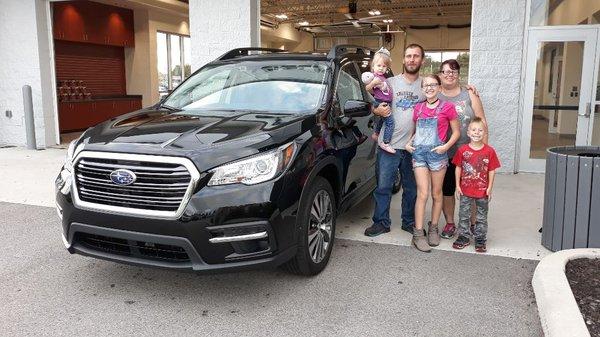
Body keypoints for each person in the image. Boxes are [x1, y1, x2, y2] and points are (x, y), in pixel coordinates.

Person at [363, 44, 426, 237]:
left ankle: (408, 222)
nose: (412, 59)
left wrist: (468, 90)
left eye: (416, 56)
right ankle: (381, 222)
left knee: (411, 188)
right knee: (383, 187)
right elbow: (368, 99)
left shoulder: (426, 84)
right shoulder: (389, 81)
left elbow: (445, 94)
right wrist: (376, 110)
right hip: (388, 145)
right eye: (408, 56)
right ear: (404, 59)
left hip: (413, 147)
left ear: (422, 61)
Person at [405, 74, 460, 252]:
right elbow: (416, 132)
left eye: (433, 85)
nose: (429, 88)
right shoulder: (418, 108)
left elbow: (456, 133)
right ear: (422, 89)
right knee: (423, 194)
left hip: (438, 155)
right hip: (419, 155)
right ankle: (418, 233)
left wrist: (445, 147)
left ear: (439, 87)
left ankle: (434, 227)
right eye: (426, 85)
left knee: (437, 194)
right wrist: (408, 143)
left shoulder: (448, 107)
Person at [437, 59, 489, 240]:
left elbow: (481, 120)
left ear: (459, 74)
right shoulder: (435, 94)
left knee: (472, 190)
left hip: (469, 153)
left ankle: (472, 224)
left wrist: (484, 152)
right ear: (440, 75)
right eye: (445, 72)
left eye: (453, 72)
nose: (449, 75)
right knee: (447, 189)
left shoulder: (469, 95)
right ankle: (450, 223)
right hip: (444, 153)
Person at [451, 117, 500, 252]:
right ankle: (463, 237)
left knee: (481, 217)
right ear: (468, 132)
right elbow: (458, 168)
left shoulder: (489, 151)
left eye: (480, 130)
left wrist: (490, 188)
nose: (477, 133)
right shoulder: (462, 150)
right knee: (463, 215)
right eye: (473, 130)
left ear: (484, 133)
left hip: (482, 191)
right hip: (465, 190)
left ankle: (480, 239)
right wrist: (457, 185)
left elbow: (492, 170)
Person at [363, 48, 395, 154]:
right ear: (373, 66)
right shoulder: (374, 77)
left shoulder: (383, 77)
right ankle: (386, 142)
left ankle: (376, 134)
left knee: (381, 121)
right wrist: (373, 83)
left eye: (384, 66)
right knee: (390, 123)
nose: (381, 68)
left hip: (385, 101)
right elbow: (367, 89)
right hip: (381, 102)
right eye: (378, 65)